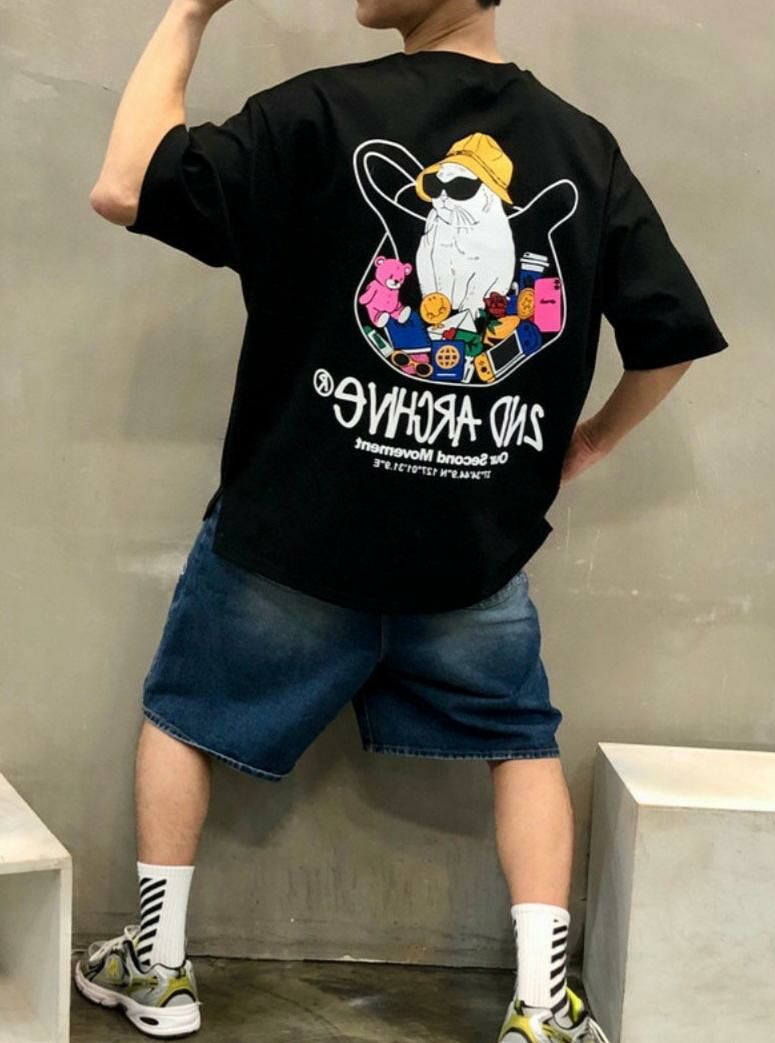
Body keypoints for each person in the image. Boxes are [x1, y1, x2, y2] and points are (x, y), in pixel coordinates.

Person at [75, 0, 728, 1040]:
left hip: (291, 539)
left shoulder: (320, 114)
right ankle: (541, 1006)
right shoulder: (581, 147)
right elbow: (669, 334)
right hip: (470, 553)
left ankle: (155, 966)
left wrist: (192, 9)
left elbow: (125, 183)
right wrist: (592, 440)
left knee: (186, 716)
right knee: (521, 741)